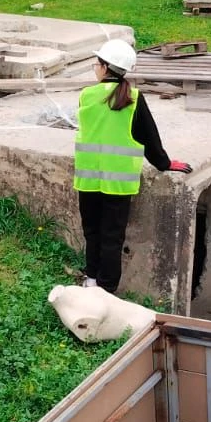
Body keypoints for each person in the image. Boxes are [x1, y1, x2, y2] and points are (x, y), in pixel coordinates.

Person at [74, 40, 192, 294]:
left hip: (88, 178)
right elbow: (149, 137)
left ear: (105, 68)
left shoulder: (86, 96)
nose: (96, 68)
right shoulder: (133, 98)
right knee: (112, 238)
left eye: (97, 64)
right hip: (118, 182)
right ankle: (106, 289)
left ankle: (91, 279)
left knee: (92, 232)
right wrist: (164, 163)